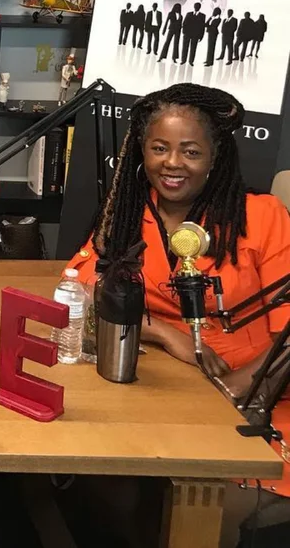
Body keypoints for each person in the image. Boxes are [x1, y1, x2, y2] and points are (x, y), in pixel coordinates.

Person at [66, 83, 290, 504]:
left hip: (262, 396)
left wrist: (246, 384)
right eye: (159, 148)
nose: (173, 163)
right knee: (110, 482)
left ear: (215, 156)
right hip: (166, 393)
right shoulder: (126, 214)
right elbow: (78, 288)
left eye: (190, 151)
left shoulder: (262, 217)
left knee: (216, 504)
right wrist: (167, 335)